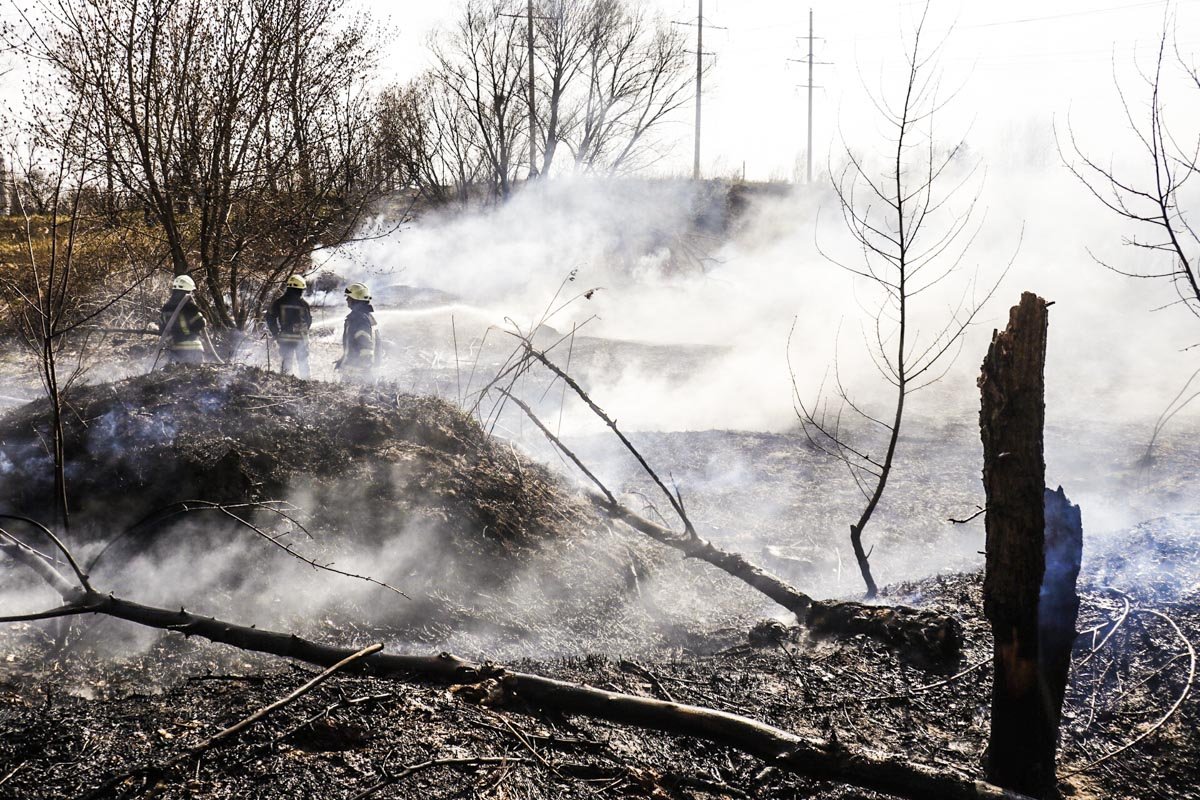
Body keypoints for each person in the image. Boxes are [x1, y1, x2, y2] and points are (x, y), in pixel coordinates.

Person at [265, 275, 313, 378]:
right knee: (303, 363)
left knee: (286, 363)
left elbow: (269, 317)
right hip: (301, 339)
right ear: (300, 289)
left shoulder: (279, 302)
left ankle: (284, 384)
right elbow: (309, 321)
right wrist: (303, 330)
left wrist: (276, 333)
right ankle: (306, 384)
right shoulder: (304, 304)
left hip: (285, 338)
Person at [158, 275, 208, 365]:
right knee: (195, 375)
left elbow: (162, 329)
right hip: (193, 350)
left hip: (174, 349)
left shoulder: (166, 308)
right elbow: (199, 323)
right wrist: (203, 319)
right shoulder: (190, 308)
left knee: (179, 375)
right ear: (188, 291)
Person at [336, 282, 378, 383]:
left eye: (349, 297)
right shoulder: (367, 317)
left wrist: (365, 370)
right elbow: (354, 344)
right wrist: (343, 359)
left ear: (356, 299)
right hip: (356, 371)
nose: (347, 300)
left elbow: (366, 344)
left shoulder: (358, 318)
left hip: (356, 374)